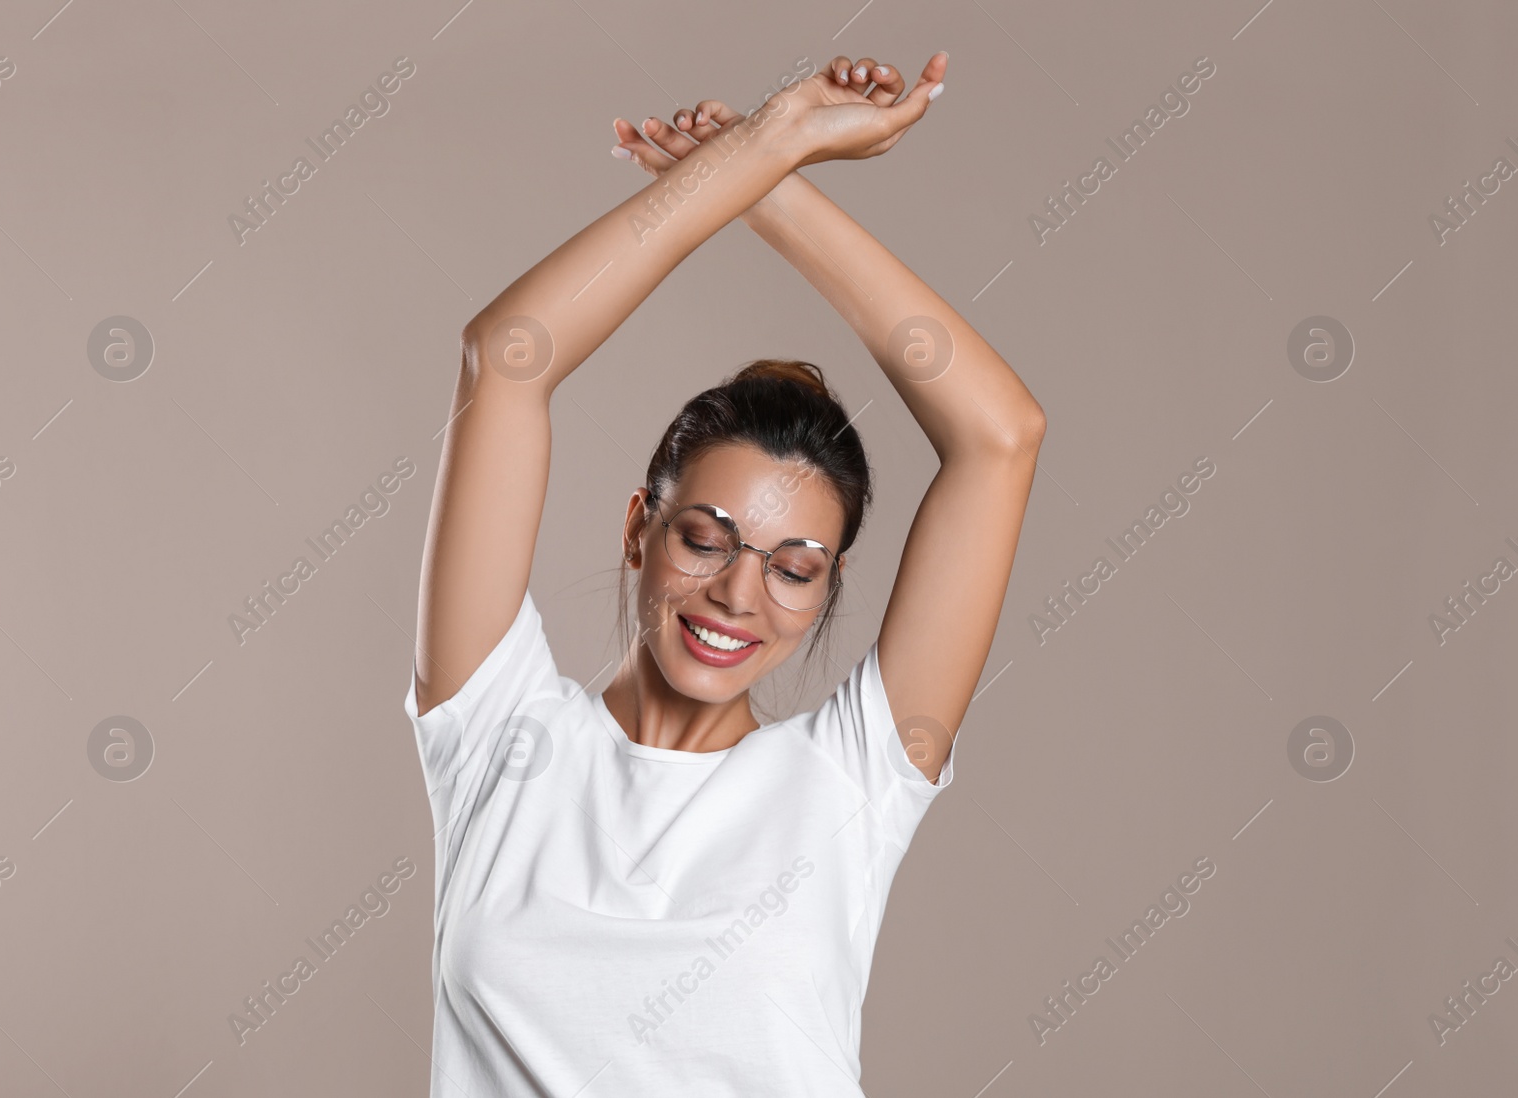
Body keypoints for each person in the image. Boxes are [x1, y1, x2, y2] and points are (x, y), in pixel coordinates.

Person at [406, 51, 1044, 1096]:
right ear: (637, 532)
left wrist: (772, 187)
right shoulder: (494, 738)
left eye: (794, 568)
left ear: (828, 589)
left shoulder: (849, 783)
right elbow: (505, 353)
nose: (739, 596)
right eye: (705, 539)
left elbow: (1000, 437)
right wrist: (768, 138)